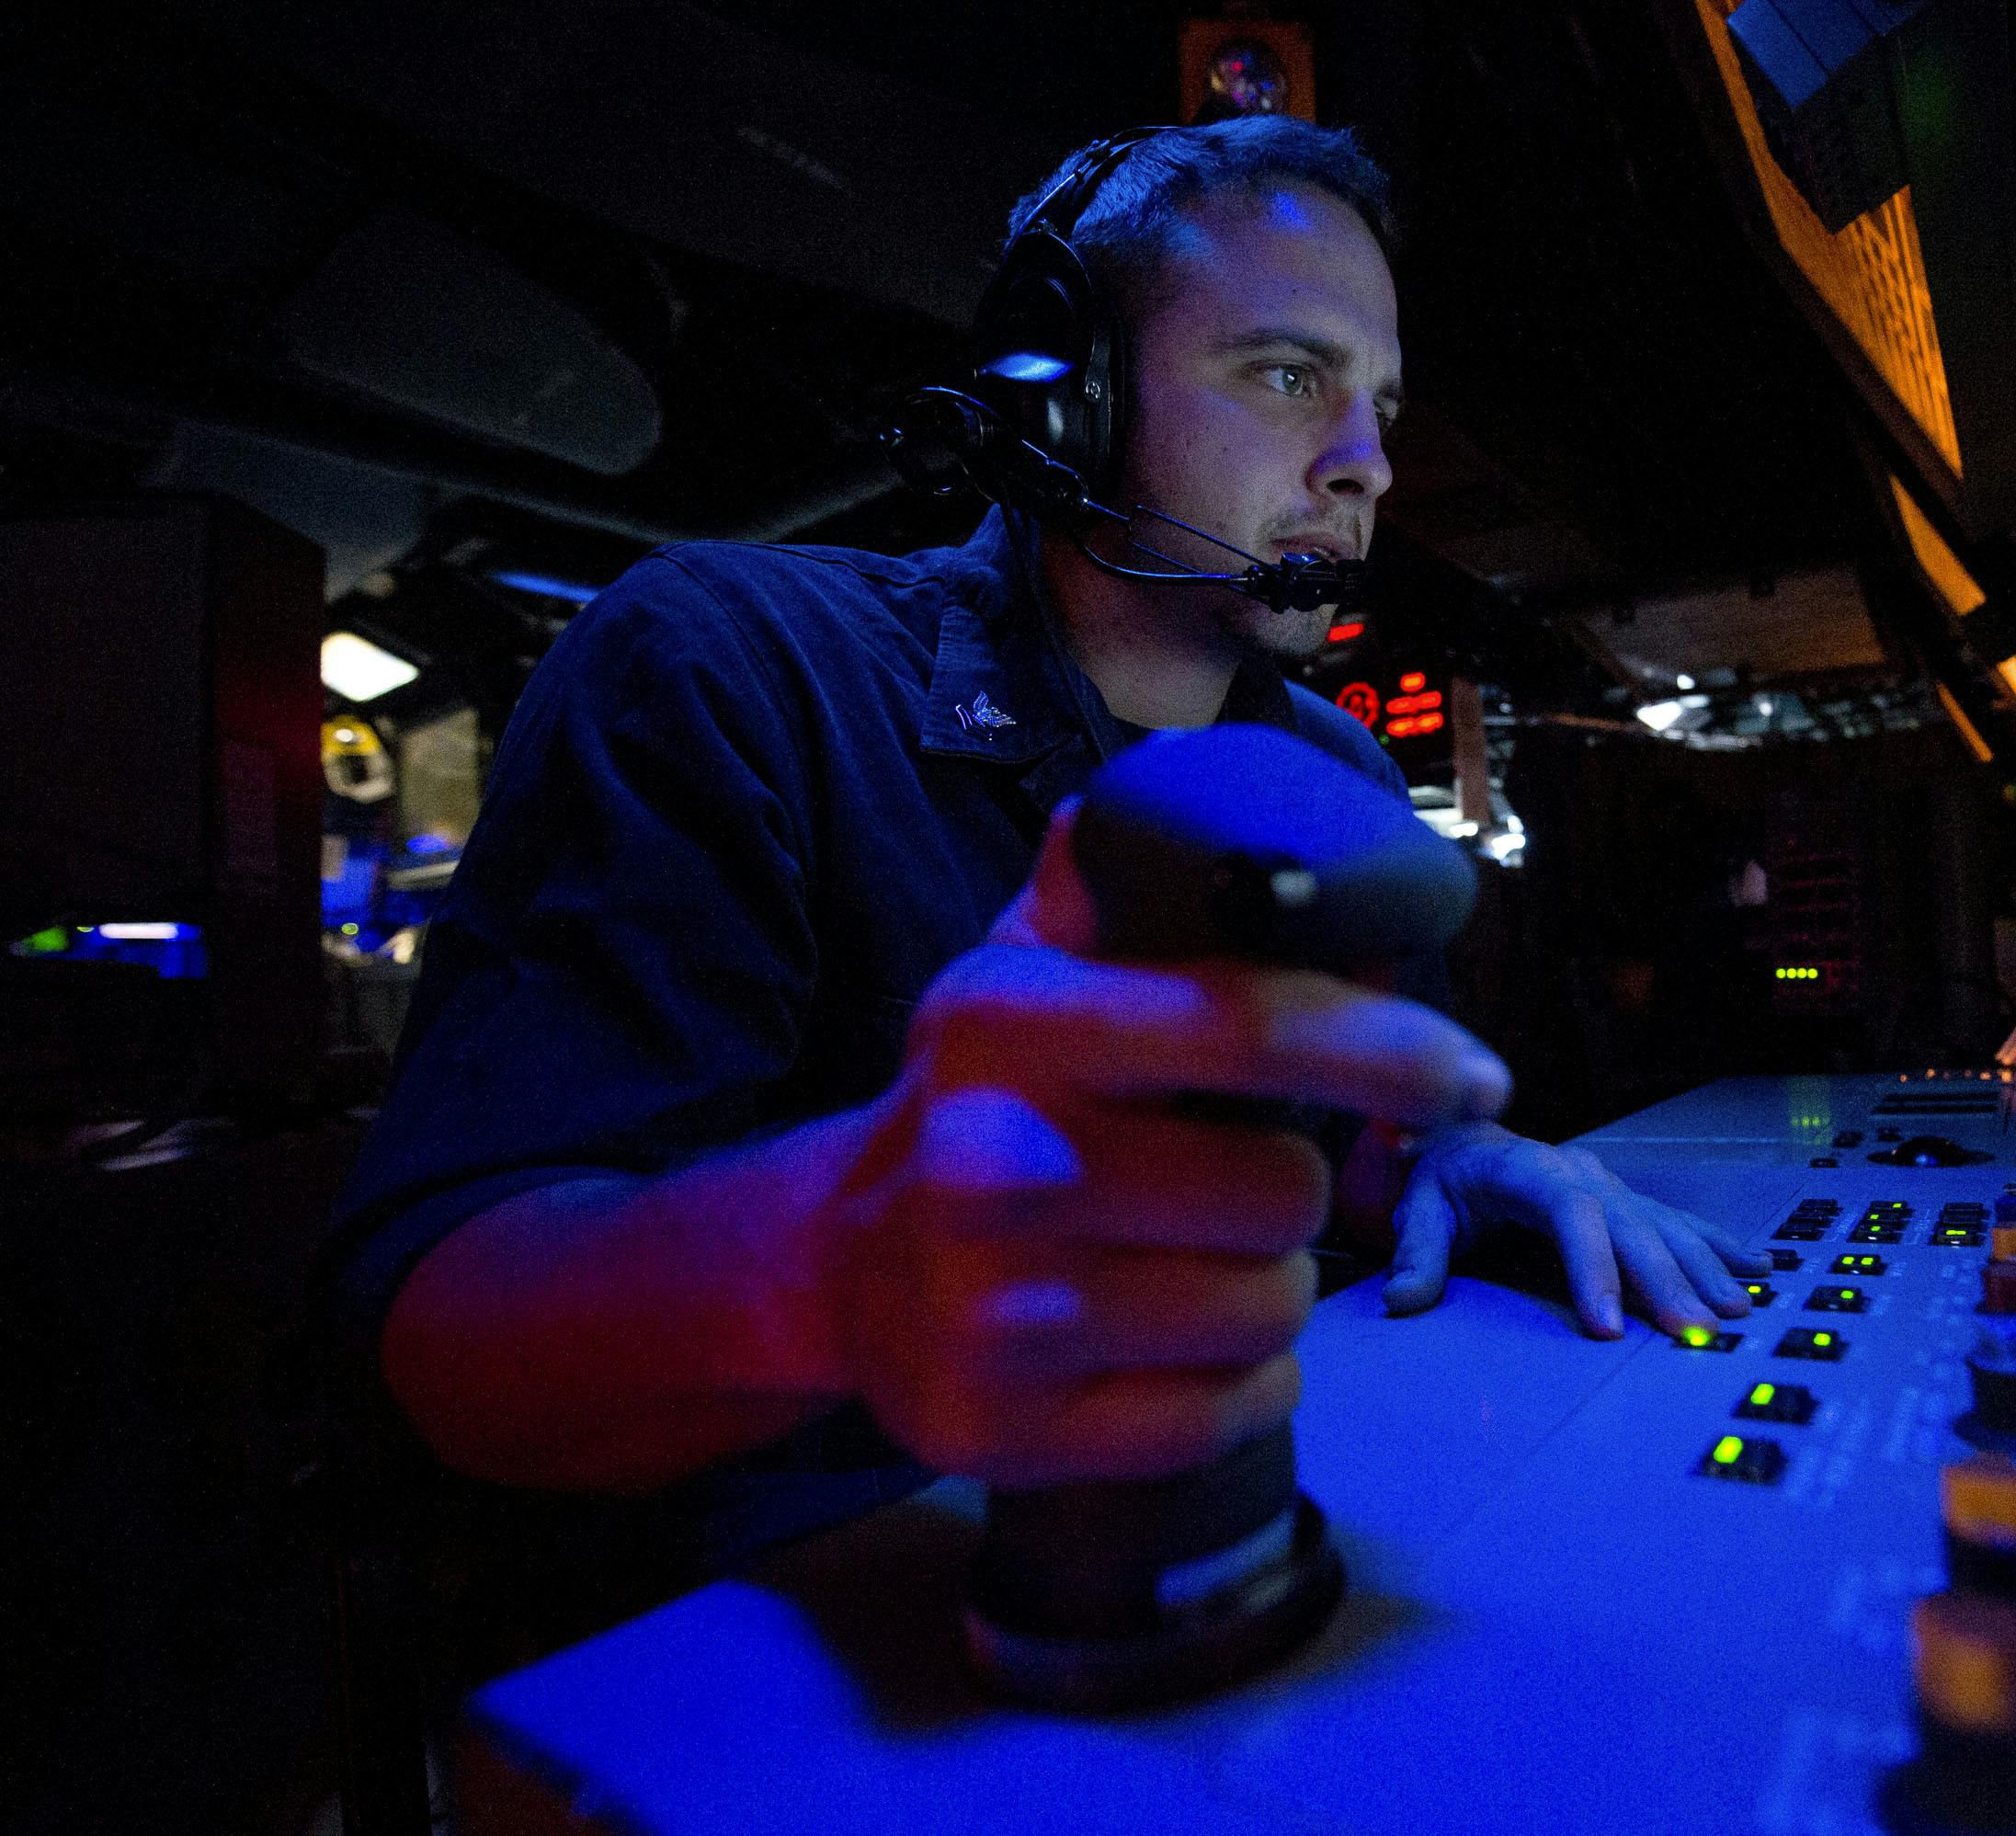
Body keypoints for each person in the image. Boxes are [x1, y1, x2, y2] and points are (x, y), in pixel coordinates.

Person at [326, 118, 1765, 1647]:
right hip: (805, 1658)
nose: (1368, 463)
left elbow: (1332, 1152)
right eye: (1289, 375)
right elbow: (440, 1330)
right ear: (1064, 392)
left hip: (1245, 1569)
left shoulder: (1340, 787)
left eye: (1382, 405)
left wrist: (1439, 1166)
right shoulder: (728, 666)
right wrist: (830, 1264)